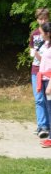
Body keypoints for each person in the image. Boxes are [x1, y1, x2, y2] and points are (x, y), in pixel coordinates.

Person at [30, 8, 50, 138]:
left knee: (49, 100)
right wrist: (34, 54)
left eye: (45, 18)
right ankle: (42, 126)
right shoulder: (34, 34)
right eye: (40, 18)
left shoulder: (49, 32)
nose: (42, 21)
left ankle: (48, 126)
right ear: (37, 19)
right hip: (36, 70)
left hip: (48, 71)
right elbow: (32, 49)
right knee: (39, 99)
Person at [36, 22, 51, 147]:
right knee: (48, 108)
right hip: (44, 79)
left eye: (42, 33)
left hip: (49, 81)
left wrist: (50, 85)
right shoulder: (46, 45)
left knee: (50, 109)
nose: (41, 35)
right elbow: (44, 61)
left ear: (48, 34)